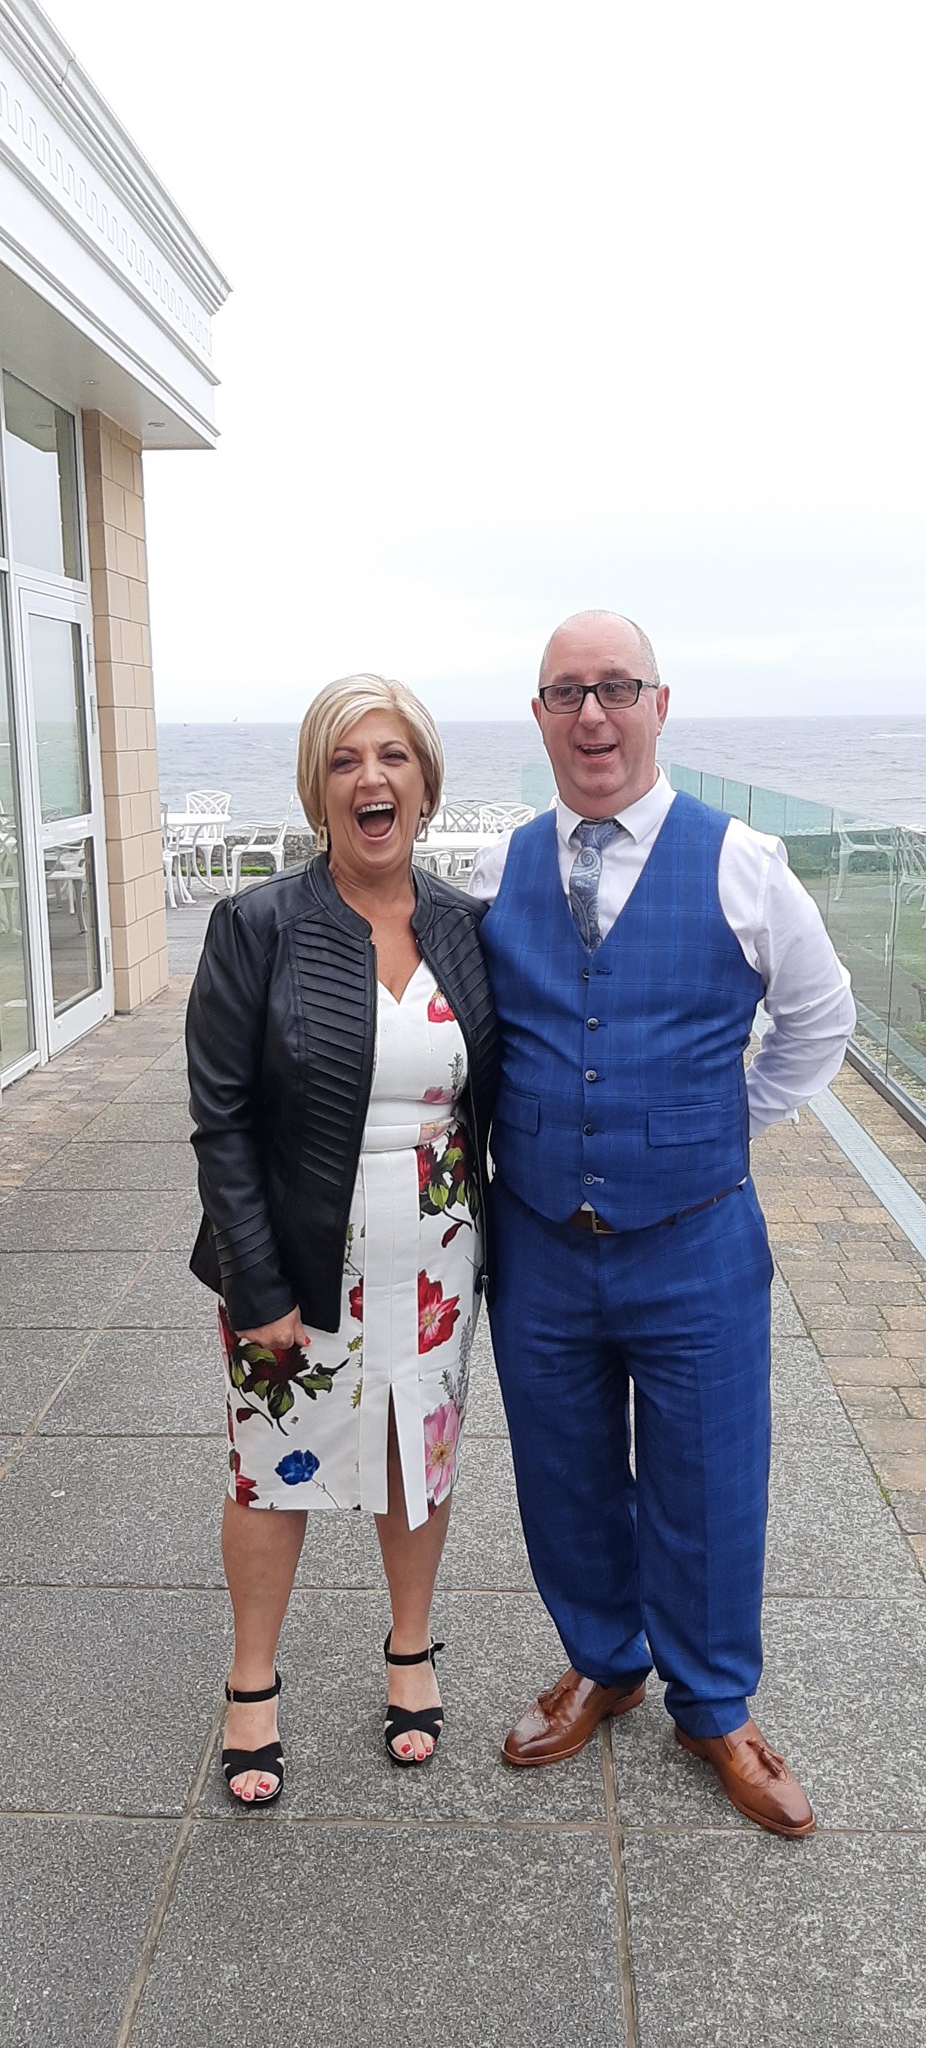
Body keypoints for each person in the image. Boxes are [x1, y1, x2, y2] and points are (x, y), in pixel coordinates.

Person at [469, 610, 855, 1838]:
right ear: (539, 716)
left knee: (711, 1477)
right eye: (567, 692)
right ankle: (604, 1661)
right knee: (563, 1469)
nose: (593, 714)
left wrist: (726, 1116)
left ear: (660, 705)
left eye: (617, 687)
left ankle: (716, 1704)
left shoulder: (744, 861)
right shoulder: (501, 867)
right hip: (540, 1238)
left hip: (696, 1239)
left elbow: (821, 1016)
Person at [186, 674, 498, 1803]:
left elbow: (495, 1094)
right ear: (318, 790)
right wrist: (255, 1278)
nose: (372, 778)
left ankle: (410, 1649)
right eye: (345, 759)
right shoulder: (256, 926)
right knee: (273, 1467)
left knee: (420, 1453)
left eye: (394, 756)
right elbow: (221, 1118)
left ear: (426, 783)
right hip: (298, 1246)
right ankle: (252, 1678)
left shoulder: (466, 926)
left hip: (439, 1251)